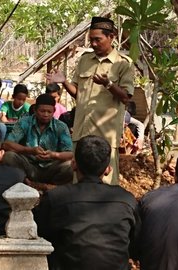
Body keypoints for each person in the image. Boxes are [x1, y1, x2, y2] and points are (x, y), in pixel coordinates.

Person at [46, 16, 135, 185]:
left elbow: (125, 97)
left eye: (97, 40)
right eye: (91, 40)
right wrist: (63, 81)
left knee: (107, 182)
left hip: (106, 134)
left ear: (112, 37)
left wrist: (108, 84)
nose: (93, 44)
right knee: (78, 179)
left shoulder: (124, 64)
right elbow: (79, 94)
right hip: (82, 131)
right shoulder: (85, 60)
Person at [33, 135, 139, 270]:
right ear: (108, 169)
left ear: (74, 164)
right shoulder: (126, 200)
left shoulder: (55, 198)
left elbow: (40, 234)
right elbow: (136, 247)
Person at [1, 94, 73, 185]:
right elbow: (7, 144)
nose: (46, 115)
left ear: (54, 111)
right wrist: (30, 150)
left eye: (49, 112)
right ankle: (24, 182)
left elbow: (70, 153)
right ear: (35, 110)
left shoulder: (61, 126)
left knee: (69, 165)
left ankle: (51, 188)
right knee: (9, 156)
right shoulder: (24, 122)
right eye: (42, 111)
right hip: (28, 165)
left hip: (51, 166)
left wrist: (53, 155)